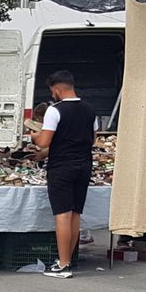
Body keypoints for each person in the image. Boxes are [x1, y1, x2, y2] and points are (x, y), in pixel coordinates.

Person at [29, 70, 95, 279]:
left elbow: (44, 142)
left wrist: (34, 135)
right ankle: (68, 259)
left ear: (57, 89)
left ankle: (63, 264)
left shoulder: (54, 111)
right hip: (84, 165)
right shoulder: (89, 109)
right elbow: (92, 139)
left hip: (62, 166)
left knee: (62, 214)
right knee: (76, 213)